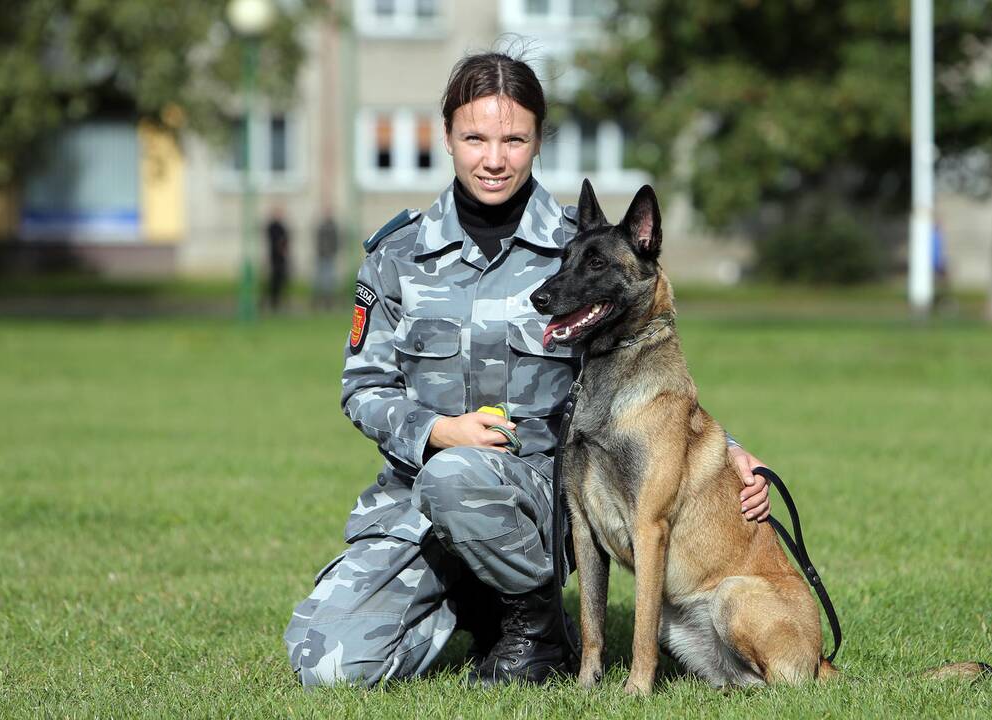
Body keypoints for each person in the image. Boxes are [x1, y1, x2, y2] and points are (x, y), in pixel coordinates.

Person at [283, 51, 772, 689]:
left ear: (538, 140)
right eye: (475, 138)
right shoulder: (396, 254)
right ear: (448, 138)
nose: (494, 158)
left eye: (514, 138)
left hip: (538, 505)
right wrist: (436, 431)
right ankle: (472, 608)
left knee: (462, 477)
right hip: (417, 503)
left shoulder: (587, 250)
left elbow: (645, 367)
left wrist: (727, 449)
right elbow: (364, 387)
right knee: (329, 666)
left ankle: (535, 625)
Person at [312, 210, 340, 310]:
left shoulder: (332, 227)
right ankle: (318, 300)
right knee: (320, 279)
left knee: (328, 280)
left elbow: (336, 240)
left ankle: (328, 301)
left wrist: (332, 251)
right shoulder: (322, 227)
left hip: (329, 256)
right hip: (322, 255)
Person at [265, 208, 290, 311]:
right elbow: (273, 240)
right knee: (273, 280)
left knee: (281, 279)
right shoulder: (272, 226)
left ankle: (278, 300)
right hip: (274, 258)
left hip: (282, 258)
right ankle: (272, 301)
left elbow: (286, 239)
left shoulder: (282, 226)